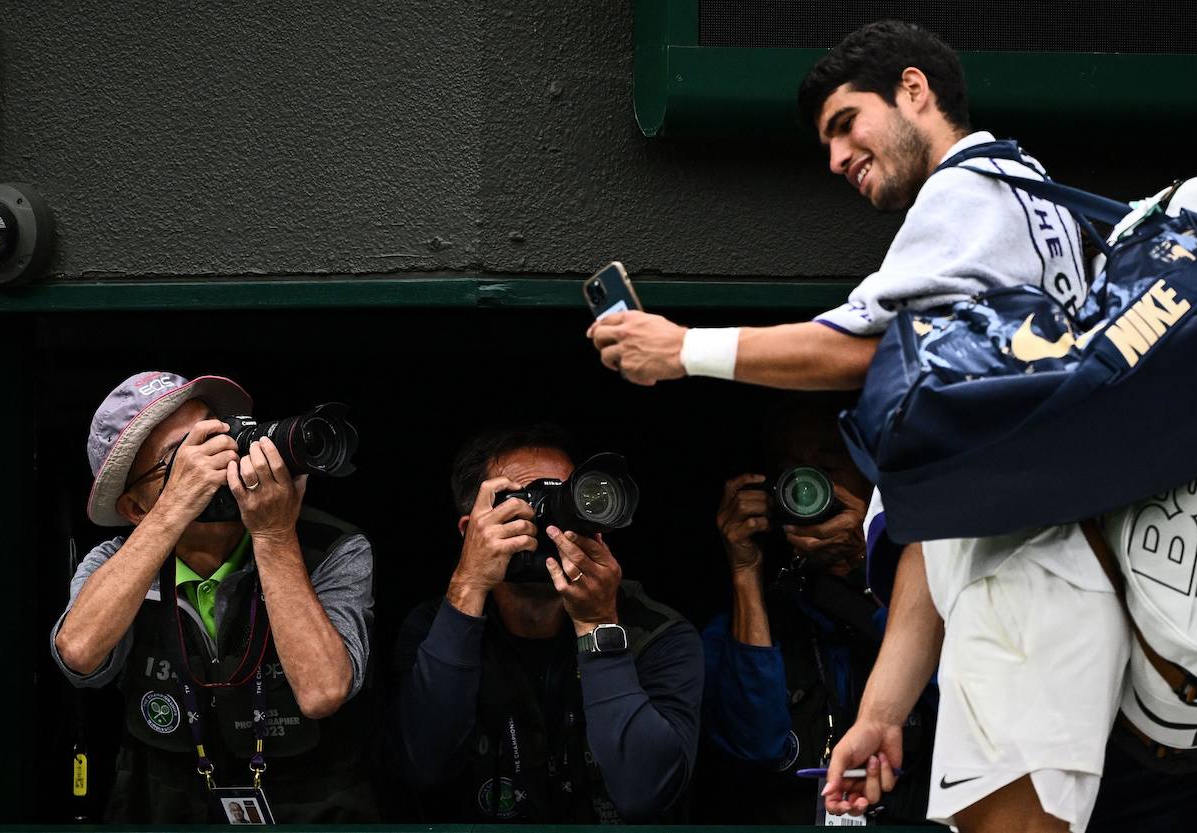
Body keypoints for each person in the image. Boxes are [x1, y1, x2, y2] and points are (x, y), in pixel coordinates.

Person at [587, 20, 1130, 833]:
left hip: (1033, 590)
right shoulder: (1022, 197)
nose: (837, 158)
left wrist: (681, 349)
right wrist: (882, 708)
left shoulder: (973, 187)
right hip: (1013, 580)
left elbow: (860, 345)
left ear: (915, 90)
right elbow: (939, 521)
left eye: (847, 123)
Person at [50, 371, 376, 822]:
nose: (215, 461)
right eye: (180, 459)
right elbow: (79, 656)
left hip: (313, 810)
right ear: (135, 508)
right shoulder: (115, 563)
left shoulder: (333, 548)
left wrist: (275, 535)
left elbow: (322, 692)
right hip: (167, 810)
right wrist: (172, 511)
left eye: (217, 436)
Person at [387, 424, 704, 823]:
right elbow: (423, 767)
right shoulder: (434, 627)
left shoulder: (656, 633)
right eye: (523, 503)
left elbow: (648, 795)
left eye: (564, 500)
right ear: (472, 532)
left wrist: (597, 624)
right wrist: (467, 585)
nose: (551, 523)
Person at [695, 396, 936, 826]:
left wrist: (871, 558)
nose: (807, 485)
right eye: (790, 469)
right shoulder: (749, 621)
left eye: (827, 467)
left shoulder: (929, 588)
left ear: (870, 476)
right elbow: (754, 746)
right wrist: (745, 572)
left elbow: (953, 686)